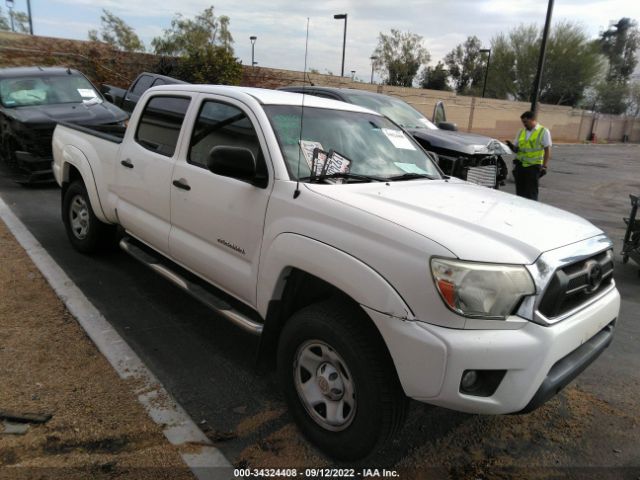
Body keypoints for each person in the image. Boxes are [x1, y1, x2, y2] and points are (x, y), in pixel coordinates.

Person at [505, 111, 552, 201]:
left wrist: (544, 166)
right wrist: (511, 146)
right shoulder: (521, 132)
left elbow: (547, 150)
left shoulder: (543, 131)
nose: (524, 124)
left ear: (533, 120)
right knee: (520, 192)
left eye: (526, 122)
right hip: (520, 166)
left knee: (531, 193)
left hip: (533, 167)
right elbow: (517, 149)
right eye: (523, 122)